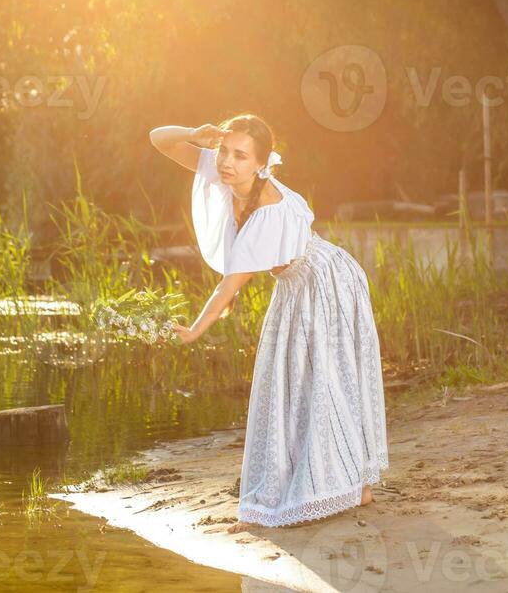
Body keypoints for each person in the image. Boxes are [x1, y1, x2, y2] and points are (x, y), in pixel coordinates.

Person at [148, 114, 389, 528]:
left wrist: (193, 332)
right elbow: (157, 138)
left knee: (326, 382)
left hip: (327, 281)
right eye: (225, 151)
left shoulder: (268, 210)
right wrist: (195, 134)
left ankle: (353, 484)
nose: (227, 162)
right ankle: (353, 484)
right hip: (296, 285)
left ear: (260, 164)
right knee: (299, 381)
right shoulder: (221, 169)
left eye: (240, 156)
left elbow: (230, 287)